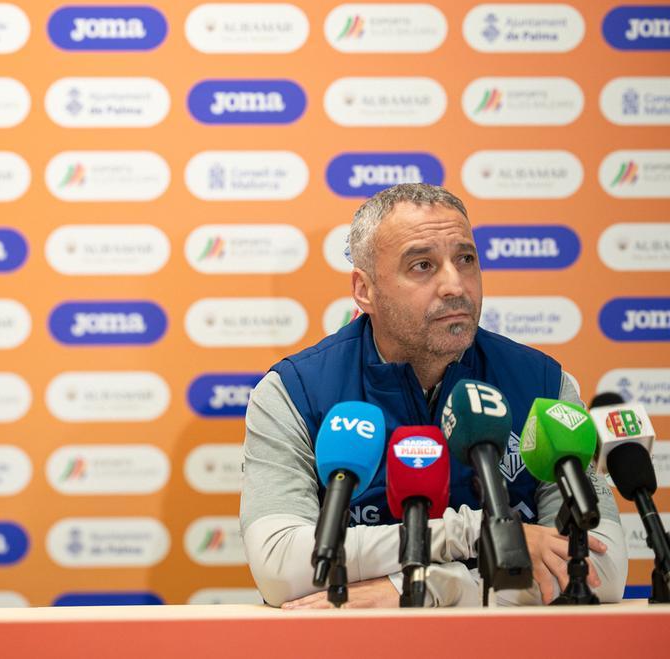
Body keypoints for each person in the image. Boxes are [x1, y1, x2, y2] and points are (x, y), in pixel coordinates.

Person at [240, 183, 627, 608]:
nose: (454, 285)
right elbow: (281, 566)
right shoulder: (293, 393)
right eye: (422, 265)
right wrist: (480, 534)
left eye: (466, 260)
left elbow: (598, 573)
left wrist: (432, 588)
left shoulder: (544, 385)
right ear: (364, 290)